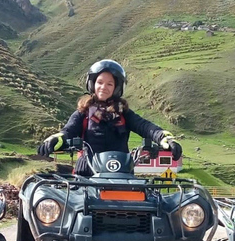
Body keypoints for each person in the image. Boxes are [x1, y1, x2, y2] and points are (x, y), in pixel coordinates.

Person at [37, 59, 182, 176]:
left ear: (116, 88)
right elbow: (68, 130)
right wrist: (55, 139)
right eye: (100, 82)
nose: (103, 87)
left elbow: (145, 126)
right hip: (86, 173)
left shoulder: (123, 113)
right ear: (92, 84)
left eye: (109, 84)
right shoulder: (84, 112)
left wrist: (164, 138)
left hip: (122, 174)